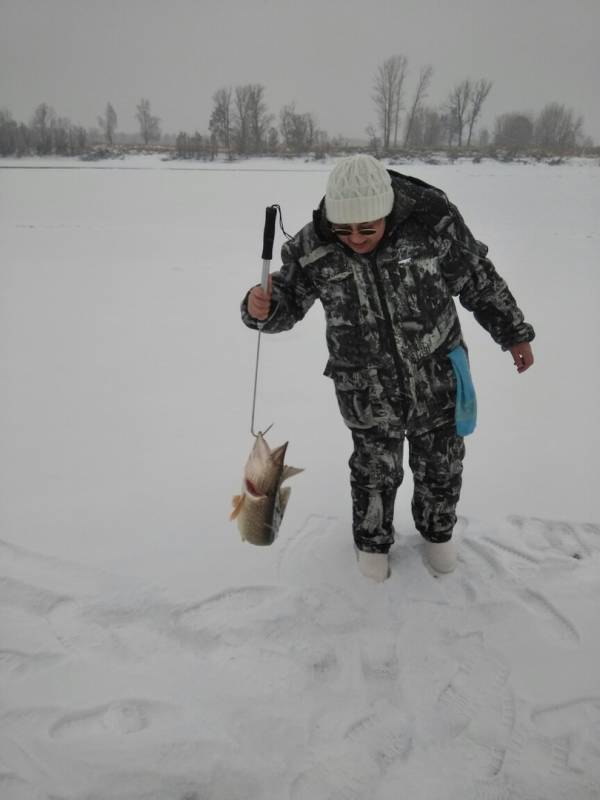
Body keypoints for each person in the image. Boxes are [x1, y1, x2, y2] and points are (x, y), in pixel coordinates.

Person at [241, 154, 534, 582]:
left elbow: (477, 278)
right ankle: (372, 542)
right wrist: (260, 307)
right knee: (374, 470)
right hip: (364, 387)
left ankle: (438, 533)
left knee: (442, 464)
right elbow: (282, 305)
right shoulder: (313, 247)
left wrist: (513, 332)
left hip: (437, 376)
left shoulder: (432, 224)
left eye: (367, 228)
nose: (355, 238)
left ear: (388, 211)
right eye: (344, 229)